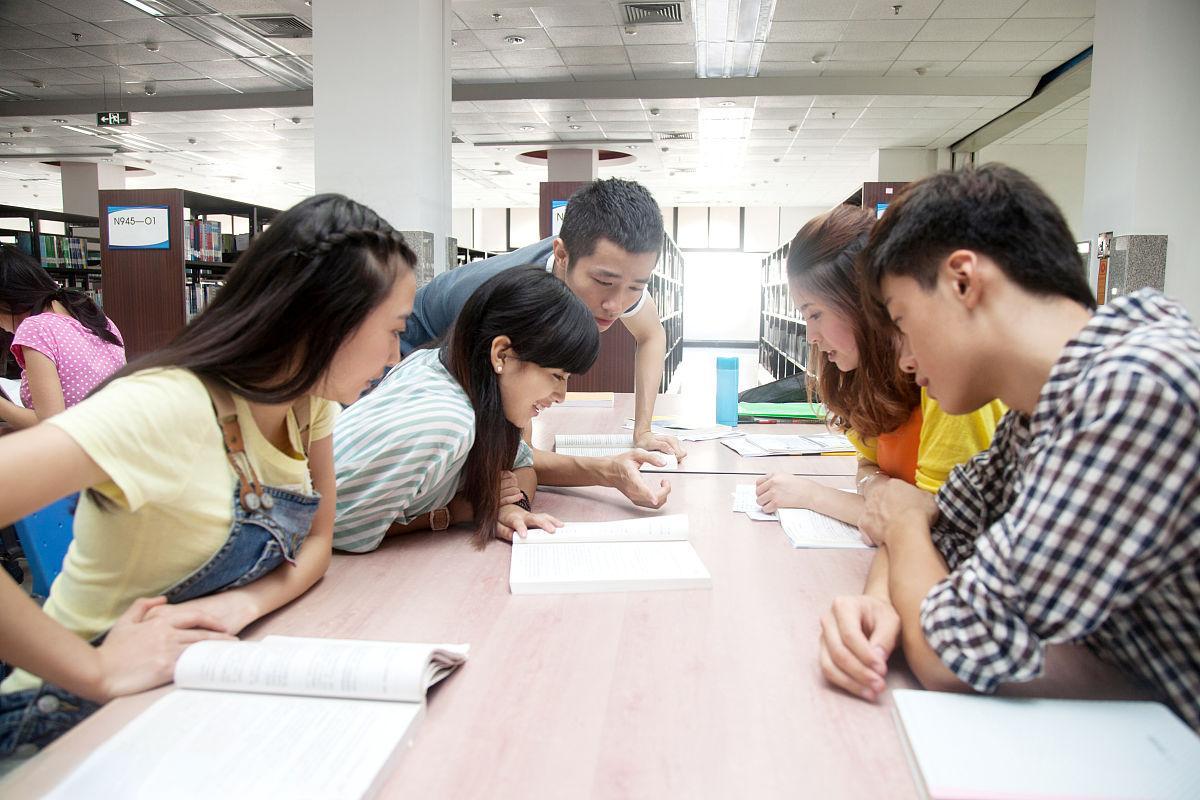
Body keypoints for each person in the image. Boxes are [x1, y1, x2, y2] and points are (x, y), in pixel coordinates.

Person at [0, 193, 418, 757]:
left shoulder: (307, 400)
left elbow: (320, 538)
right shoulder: (168, 405)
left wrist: (240, 606)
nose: (394, 357)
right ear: (324, 322)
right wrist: (95, 669)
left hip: (182, 689)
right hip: (69, 720)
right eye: (394, 330)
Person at [825, 164, 1200, 732]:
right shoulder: (1038, 411)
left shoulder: (1138, 389)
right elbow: (945, 531)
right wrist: (880, 601)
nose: (903, 360)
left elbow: (951, 650)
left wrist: (902, 525)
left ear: (963, 281)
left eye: (901, 321)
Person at [402, 178, 684, 504]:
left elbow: (650, 334)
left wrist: (643, 431)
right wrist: (607, 472)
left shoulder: (614, 272)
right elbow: (522, 456)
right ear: (561, 255)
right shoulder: (518, 304)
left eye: (636, 286)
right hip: (409, 352)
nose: (616, 305)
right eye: (604, 282)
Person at [755, 205, 1005, 530]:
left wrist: (814, 496)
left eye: (816, 314)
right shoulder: (864, 378)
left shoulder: (947, 383)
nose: (812, 337)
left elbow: (938, 529)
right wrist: (876, 488)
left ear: (863, 305)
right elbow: (868, 465)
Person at [334, 265, 601, 552]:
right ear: (501, 354)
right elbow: (345, 531)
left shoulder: (468, 381)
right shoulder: (448, 422)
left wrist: (510, 508)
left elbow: (521, 463)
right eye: (556, 376)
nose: (561, 395)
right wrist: (457, 512)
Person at [0, 245, 126, 429]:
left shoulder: (36, 328)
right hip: (114, 435)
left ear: (7, 300)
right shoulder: (92, 315)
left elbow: (50, 424)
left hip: (78, 446)